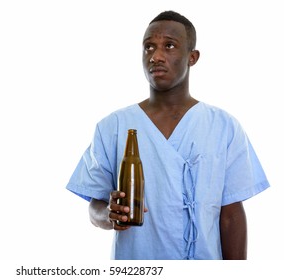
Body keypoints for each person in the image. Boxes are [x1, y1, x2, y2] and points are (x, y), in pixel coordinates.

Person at [66, 10, 270, 260]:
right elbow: (94, 208)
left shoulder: (224, 126)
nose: (156, 56)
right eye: (148, 47)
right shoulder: (114, 126)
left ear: (192, 57)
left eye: (169, 46)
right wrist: (109, 213)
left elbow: (231, 214)